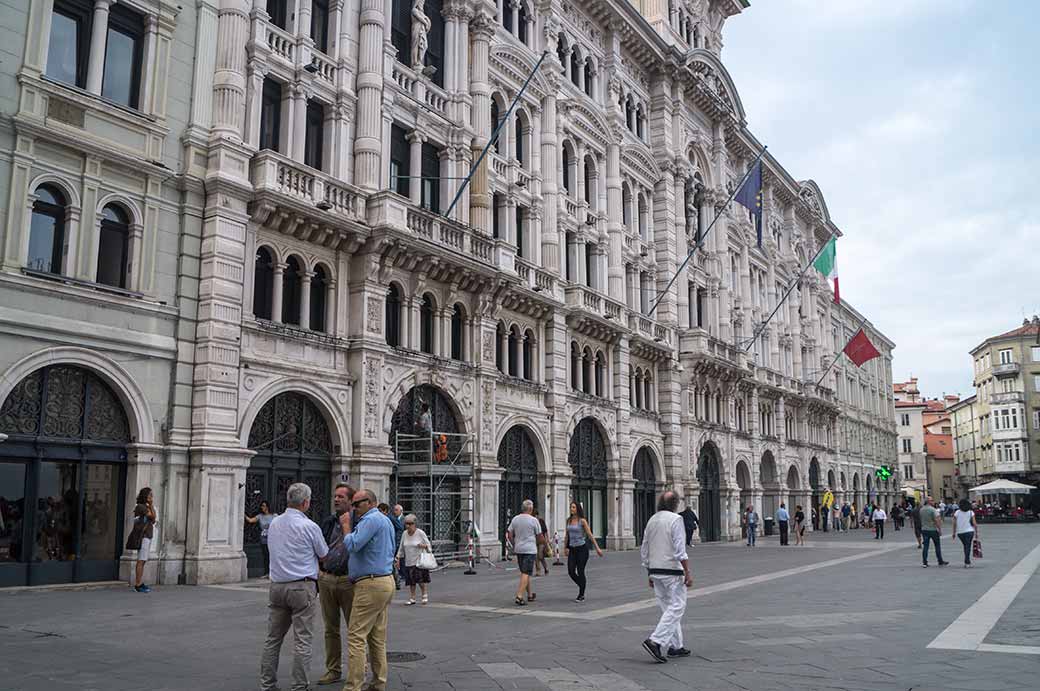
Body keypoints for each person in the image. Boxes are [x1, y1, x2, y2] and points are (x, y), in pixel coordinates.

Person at [260, 483, 328, 691]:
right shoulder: (310, 526)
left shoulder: (274, 523)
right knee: (302, 640)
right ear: (306, 502)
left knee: (273, 639)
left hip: (277, 586)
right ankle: (299, 686)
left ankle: (267, 685)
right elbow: (324, 554)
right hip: (302, 587)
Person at [339, 489, 397, 691]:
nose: (354, 508)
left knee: (356, 636)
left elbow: (353, 545)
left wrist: (346, 527)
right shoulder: (385, 520)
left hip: (370, 584)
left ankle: (353, 686)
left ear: (371, 502)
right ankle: (379, 682)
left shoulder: (370, 520)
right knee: (377, 637)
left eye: (357, 504)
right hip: (384, 580)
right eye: (353, 504)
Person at [640, 490, 692, 663]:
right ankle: (656, 641)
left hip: (655, 571)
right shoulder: (676, 520)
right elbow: (680, 549)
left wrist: (649, 571)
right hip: (672, 571)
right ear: (675, 504)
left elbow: (645, 548)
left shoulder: (651, 520)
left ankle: (676, 646)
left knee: (668, 609)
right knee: (677, 606)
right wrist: (687, 572)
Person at [317, 483, 354, 686]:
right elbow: (320, 545)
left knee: (354, 629)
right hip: (327, 578)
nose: (336, 499)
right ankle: (333, 670)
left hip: (349, 580)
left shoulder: (358, 523)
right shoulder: (328, 521)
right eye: (335, 496)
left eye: (341, 496)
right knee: (330, 628)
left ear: (350, 500)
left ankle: (357, 671)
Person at [564, 501, 603, 602]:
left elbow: (590, 535)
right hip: (572, 549)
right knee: (571, 571)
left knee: (580, 571)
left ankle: (581, 594)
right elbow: (567, 535)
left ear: (577, 509)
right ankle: (582, 585)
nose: (571, 509)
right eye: (570, 507)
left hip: (582, 549)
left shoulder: (582, 521)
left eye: (573, 507)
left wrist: (597, 548)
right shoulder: (568, 521)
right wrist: (565, 547)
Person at [506, 499, 542, 606]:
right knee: (526, 573)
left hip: (519, 549)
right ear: (530, 509)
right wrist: (541, 545)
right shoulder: (534, 520)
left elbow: (509, 533)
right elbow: (539, 535)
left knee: (524, 573)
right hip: (530, 550)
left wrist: (514, 542)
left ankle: (530, 594)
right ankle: (519, 596)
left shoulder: (515, 519)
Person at [395, 513, 432, 605]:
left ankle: (424, 594)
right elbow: (401, 547)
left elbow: (429, 546)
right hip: (408, 560)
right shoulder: (404, 534)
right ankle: (412, 598)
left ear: (415, 524)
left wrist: (423, 546)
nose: (408, 526)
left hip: (419, 561)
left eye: (410, 523)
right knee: (411, 581)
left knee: (420, 580)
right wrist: (398, 557)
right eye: (406, 523)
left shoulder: (420, 533)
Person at [131, 487, 156, 593]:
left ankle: (140, 582)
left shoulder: (145, 506)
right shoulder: (140, 507)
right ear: (145, 496)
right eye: (150, 495)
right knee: (141, 560)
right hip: (143, 536)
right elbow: (152, 515)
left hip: (147, 536)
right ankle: (137, 584)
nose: (151, 497)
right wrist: (151, 505)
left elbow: (153, 520)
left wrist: (150, 505)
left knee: (143, 560)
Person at [245, 500, 276, 577]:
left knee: (272, 556)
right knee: (266, 556)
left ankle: (272, 573)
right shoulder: (260, 516)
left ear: (267, 507)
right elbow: (250, 520)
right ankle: (266, 573)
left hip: (272, 538)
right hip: (264, 539)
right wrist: (243, 513)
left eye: (264, 506)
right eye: (262, 506)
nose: (262, 507)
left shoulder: (274, 516)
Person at [919, 496, 948, 568]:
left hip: (924, 529)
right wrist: (939, 529)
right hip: (933, 530)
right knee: (937, 545)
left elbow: (921, 519)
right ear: (928, 502)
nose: (933, 501)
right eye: (932, 500)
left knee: (925, 546)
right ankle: (940, 561)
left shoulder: (921, 509)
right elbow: (937, 520)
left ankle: (924, 562)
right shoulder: (933, 509)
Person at [952, 498, 978, 568]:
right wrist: (976, 532)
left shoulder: (957, 512)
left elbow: (954, 523)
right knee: (967, 546)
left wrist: (954, 533)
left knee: (965, 546)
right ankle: (967, 561)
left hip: (960, 532)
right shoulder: (970, 512)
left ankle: (967, 561)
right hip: (969, 531)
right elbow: (974, 523)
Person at [390, 504, 405, 590]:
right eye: (394, 510)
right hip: (395, 541)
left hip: (402, 541)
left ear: (401, 511)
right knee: (395, 559)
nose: (394, 511)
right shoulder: (393, 519)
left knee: (402, 559)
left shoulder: (404, 519)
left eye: (396, 510)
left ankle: (402, 575)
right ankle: (398, 576)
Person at [533, 507, 550, 576]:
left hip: (542, 541)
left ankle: (545, 567)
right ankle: (538, 570)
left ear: (537, 515)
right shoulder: (532, 522)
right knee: (536, 556)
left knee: (540, 555)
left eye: (535, 515)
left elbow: (545, 531)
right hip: (534, 541)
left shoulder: (541, 521)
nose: (535, 517)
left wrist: (547, 540)